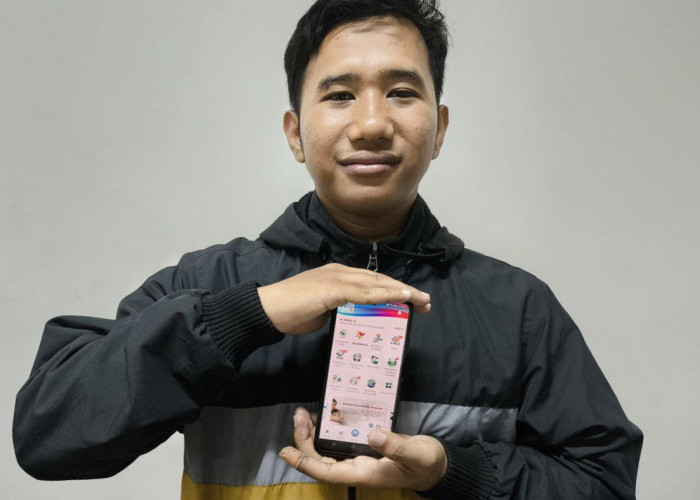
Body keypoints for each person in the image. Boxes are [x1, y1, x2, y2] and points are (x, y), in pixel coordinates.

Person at [13, 1, 643, 499]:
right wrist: (246, 316)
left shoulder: (518, 309)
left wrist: (454, 472)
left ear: (439, 128)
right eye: (339, 95)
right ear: (295, 133)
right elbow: (47, 434)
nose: (371, 124)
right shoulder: (207, 284)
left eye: (402, 92)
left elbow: (604, 483)